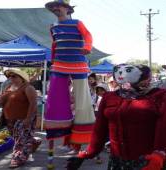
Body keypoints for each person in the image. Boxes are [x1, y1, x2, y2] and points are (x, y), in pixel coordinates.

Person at [67, 64, 166, 170]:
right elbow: (100, 129)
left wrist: (159, 154)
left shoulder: (160, 95)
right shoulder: (109, 97)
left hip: (150, 160)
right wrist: (88, 153)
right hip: (119, 161)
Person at [44, 0, 94, 168]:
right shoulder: (52, 27)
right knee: (55, 101)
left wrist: (87, 46)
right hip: (58, 64)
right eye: (52, 8)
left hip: (78, 64)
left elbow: (88, 35)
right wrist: (52, 62)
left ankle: (83, 138)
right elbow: (55, 45)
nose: (55, 9)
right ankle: (58, 130)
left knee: (83, 102)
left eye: (57, 6)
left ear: (67, 8)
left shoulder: (77, 23)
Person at [0, 69, 41, 168]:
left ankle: (18, 158)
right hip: (9, 118)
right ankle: (33, 142)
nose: (11, 78)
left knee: (19, 140)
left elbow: (33, 104)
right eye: (10, 76)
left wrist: (28, 119)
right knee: (18, 137)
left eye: (14, 76)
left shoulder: (28, 87)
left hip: (23, 117)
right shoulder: (9, 87)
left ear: (21, 77)